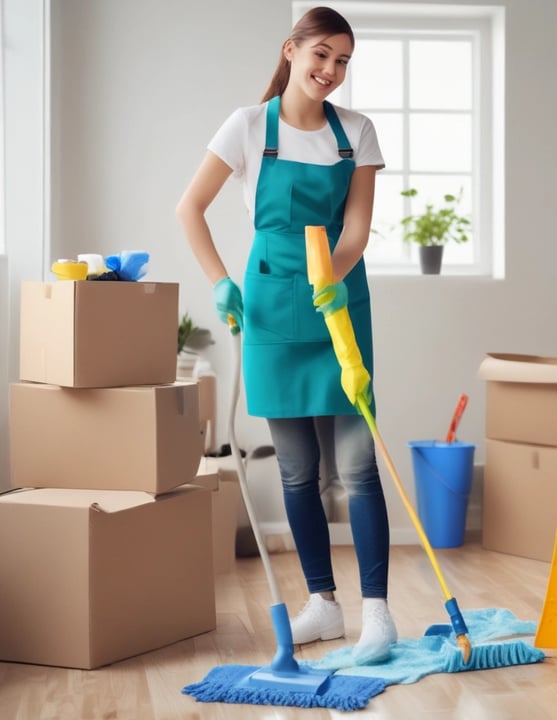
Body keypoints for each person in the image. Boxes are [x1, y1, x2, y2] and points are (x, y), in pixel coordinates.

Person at [176, 6, 397, 664]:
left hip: (339, 307)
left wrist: (337, 275)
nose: (331, 71)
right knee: (299, 473)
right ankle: (323, 605)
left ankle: (378, 614)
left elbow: (355, 229)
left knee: (357, 468)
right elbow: (189, 207)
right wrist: (220, 281)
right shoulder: (248, 126)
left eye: (342, 61)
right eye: (321, 55)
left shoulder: (357, 131)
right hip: (271, 308)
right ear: (292, 50)